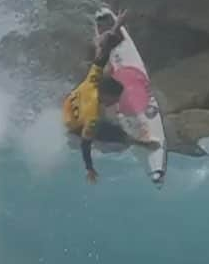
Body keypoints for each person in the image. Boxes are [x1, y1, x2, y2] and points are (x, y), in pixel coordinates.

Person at [62, 9, 157, 184]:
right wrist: (89, 168)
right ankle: (143, 143)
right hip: (74, 125)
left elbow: (103, 51)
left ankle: (101, 37)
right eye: (115, 99)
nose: (116, 102)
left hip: (71, 102)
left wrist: (118, 24)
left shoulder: (93, 78)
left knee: (102, 55)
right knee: (116, 133)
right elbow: (85, 144)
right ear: (106, 96)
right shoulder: (93, 117)